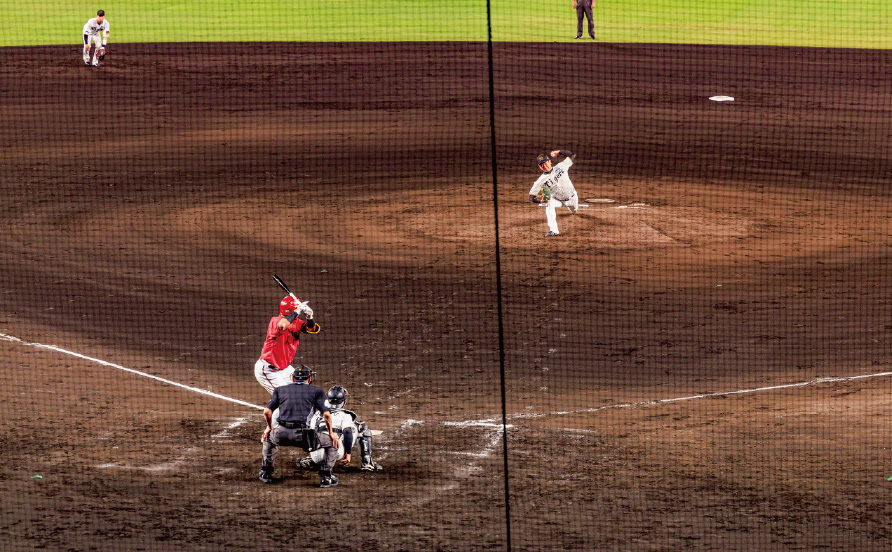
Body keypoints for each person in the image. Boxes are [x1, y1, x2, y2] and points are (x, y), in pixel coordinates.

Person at [259, 365, 341, 487]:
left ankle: (266, 472)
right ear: (309, 379)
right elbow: (327, 415)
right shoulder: (317, 391)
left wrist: (270, 428)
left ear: (293, 378)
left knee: (267, 439)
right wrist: (331, 433)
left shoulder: (280, 390)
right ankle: (326, 476)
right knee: (332, 443)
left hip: (281, 434)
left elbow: (267, 412)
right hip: (304, 437)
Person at [254, 295, 320, 427]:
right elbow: (283, 325)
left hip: (284, 369)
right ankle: (270, 432)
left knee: (304, 390)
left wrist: (309, 316)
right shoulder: (275, 321)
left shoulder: (296, 322)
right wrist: (297, 311)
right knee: (285, 398)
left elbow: (312, 329)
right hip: (268, 370)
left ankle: (305, 425)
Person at [298, 386, 383, 472]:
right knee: (361, 427)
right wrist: (348, 454)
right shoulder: (345, 415)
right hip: (335, 453)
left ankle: (311, 459)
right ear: (343, 401)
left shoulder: (318, 414)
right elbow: (347, 432)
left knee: (315, 431)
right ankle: (367, 463)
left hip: (316, 455)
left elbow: (309, 434)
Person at [528, 150, 580, 237]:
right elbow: (531, 197)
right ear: (539, 167)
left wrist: (559, 152)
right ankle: (553, 230)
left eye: (545, 162)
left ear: (549, 162)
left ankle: (573, 209)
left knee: (574, 211)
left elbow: (572, 155)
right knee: (549, 203)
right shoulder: (539, 181)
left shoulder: (561, 166)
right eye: (541, 164)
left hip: (572, 198)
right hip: (557, 200)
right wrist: (541, 201)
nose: (544, 166)